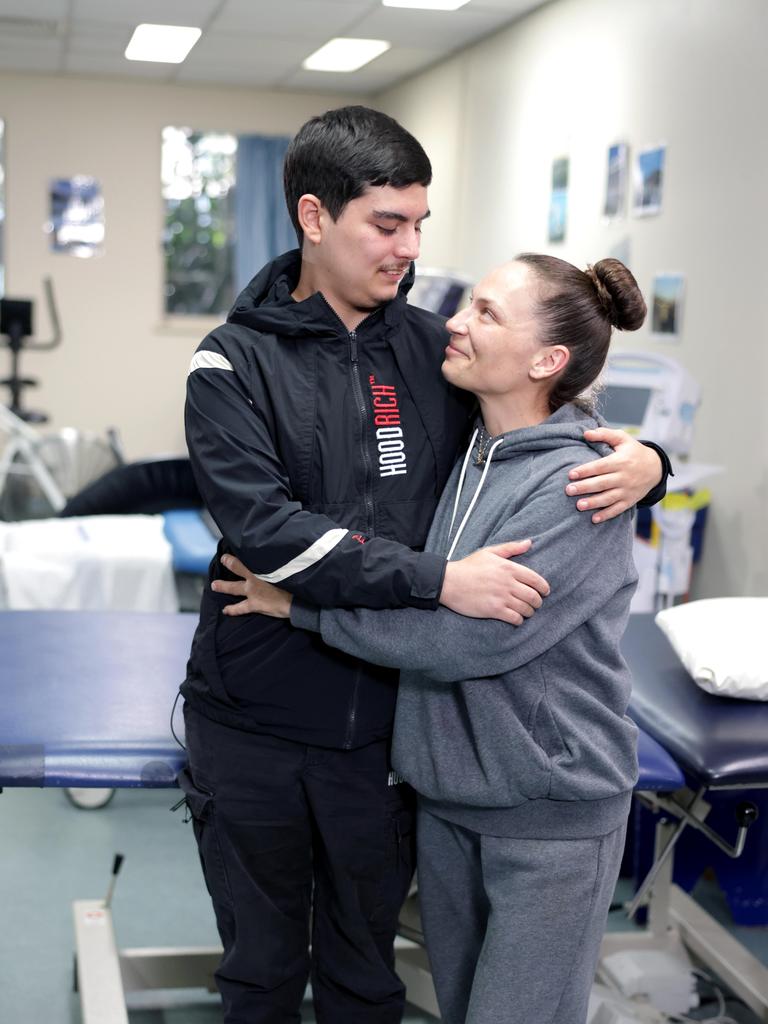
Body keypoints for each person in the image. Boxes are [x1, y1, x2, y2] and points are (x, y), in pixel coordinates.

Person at [179, 105, 669, 1024]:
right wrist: (437, 581)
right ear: (315, 217)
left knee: (370, 979)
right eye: (386, 224)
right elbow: (267, 533)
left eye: (418, 225)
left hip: (383, 735)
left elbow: (549, 406)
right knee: (260, 974)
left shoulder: (428, 353)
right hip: (256, 717)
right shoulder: (230, 363)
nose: (409, 249)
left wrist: (649, 463)